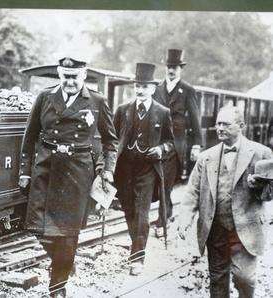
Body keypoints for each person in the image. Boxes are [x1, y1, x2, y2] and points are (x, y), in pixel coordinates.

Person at [18, 57, 118, 297]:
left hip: (77, 174)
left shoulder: (96, 101)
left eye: (74, 77)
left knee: (68, 233)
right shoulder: (44, 97)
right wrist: (24, 171)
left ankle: (57, 286)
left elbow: (110, 141)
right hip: (46, 170)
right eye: (65, 76)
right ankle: (65, 262)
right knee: (39, 228)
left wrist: (108, 170)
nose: (69, 82)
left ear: (83, 76)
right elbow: (29, 136)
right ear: (59, 75)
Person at [177, 105, 273, 298]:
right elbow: (192, 192)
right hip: (215, 228)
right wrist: (184, 219)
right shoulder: (206, 158)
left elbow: (270, 193)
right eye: (218, 123)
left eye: (226, 124)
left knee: (245, 278)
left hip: (246, 227)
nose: (220, 128)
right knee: (217, 279)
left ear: (241, 126)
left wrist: (259, 186)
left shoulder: (261, 153)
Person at [113, 62, 175, 276]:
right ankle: (136, 246)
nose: (140, 90)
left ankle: (137, 258)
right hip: (124, 170)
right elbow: (112, 141)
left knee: (141, 214)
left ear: (152, 88)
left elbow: (171, 143)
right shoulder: (122, 111)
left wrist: (161, 149)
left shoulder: (163, 112)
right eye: (137, 86)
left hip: (147, 170)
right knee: (129, 211)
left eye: (144, 86)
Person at [153, 48, 202, 237]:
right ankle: (167, 212)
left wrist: (197, 144)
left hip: (176, 144)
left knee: (165, 181)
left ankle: (162, 220)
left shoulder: (188, 90)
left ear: (180, 69)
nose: (171, 70)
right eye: (169, 66)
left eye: (174, 67)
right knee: (157, 181)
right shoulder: (157, 88)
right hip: (157, 141)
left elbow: (196, 119)